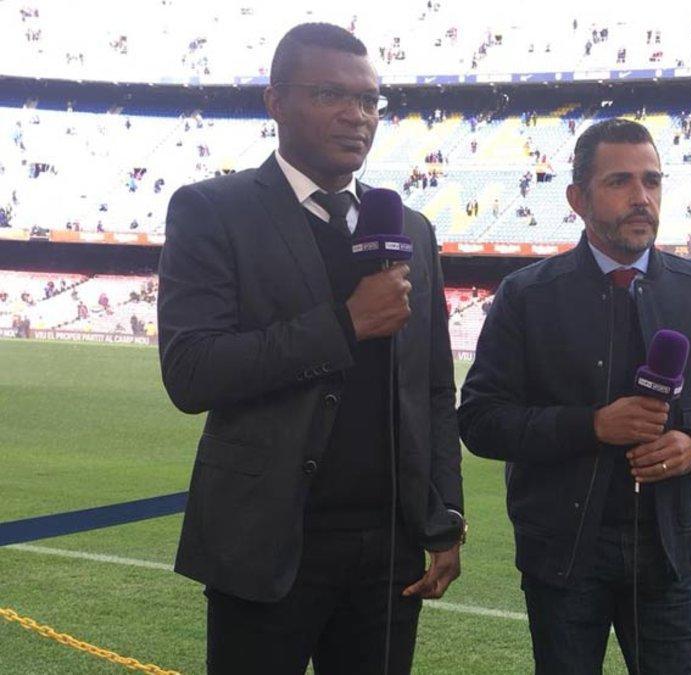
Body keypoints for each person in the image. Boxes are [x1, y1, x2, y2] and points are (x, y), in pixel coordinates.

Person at [156, 23, 465, 674]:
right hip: (265, 543)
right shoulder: (213, 210)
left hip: (389, 552)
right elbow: (191, 371)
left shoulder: (411, 228)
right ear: (275, 102)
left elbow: (434, 388)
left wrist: (446, 516)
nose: (358, 115)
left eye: (370, 100)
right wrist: (345, 324)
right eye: (331, 94)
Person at [458, 118, 691, 674]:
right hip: (562, 556)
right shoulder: (527, 295)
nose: (641, 197)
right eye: (620, 181)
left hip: (669, 554)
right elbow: (481, 421)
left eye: (652, 180)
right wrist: (592, 425)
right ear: (577, 199)